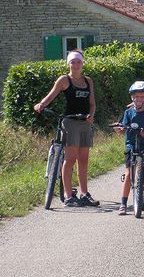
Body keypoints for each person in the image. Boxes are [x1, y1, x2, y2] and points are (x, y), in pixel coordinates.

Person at [34, 50, 98, 207]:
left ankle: (84, 194)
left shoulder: (88, 81)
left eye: (78, 62)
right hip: (69, 122)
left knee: (84, 159)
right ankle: (69, 196)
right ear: (68, 64)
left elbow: (92, 103)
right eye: (73, 62)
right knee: (70, 159)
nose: (76, 65)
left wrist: (91, 115)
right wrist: (41, 104)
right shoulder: (64, 80)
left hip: (84, 123)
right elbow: (51, 95)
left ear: (82, 64)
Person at [114, 81, 144, 215]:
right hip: (131, 147)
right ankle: (123, 203)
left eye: (142, 97)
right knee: (128, 174)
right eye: (136, 97)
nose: (139, 99)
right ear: (132, 98)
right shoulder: (128, 113)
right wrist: (119, 129)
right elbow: (122, 129)